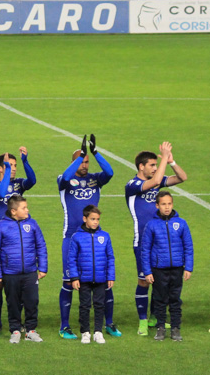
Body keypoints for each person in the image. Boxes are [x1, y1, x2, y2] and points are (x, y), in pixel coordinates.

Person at [125, 143, 187, 335]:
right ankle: (143, 321)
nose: (154, 167)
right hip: (143, 242)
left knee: (160, 282)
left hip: (161, 242)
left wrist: (171, 161)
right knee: (144, 281)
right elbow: (157, 180)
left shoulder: (157, 180)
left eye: (155, 164)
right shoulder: (132, 185)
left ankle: (155, 317)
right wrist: (164, 157)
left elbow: (182, 177)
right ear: (141, 166)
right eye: (151, 165)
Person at [58, 135, 116, 339]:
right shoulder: (64, 180)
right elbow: (67, 176)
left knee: (103, 280)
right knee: (69, 282)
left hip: (94, 238)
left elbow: (110, 172)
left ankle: (108, 323)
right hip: (71, 238)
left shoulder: (95, 179)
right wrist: (80, 155)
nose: (84, 165)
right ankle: (64, 326)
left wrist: (95, 153)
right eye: (81, 161)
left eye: (86, 161)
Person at [0, 149, 37, 335]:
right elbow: (0, 193)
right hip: (0, 242)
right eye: (10, 166)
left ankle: (18, 323)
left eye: (14, 166)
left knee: (19, 284)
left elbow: (32, 180)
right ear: (0, 168)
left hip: (19, 241)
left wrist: (25, 161)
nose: (14, 169)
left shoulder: (18, 184)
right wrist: (7, 171)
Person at [0, 195, 47, 344]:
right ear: (14, 211)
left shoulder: (32, 224)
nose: (27, 210)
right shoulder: (1, 226)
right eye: (24, 208)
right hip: (10, 273)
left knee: (32, 301)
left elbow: (41, 245)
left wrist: (43, 267)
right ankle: (15, 330)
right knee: (13, 303)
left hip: (30, 272)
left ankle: (31, 330)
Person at [141, 191, 193, 341]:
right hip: (158, 269)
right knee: (160, 299)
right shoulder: (151, 225)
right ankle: (161, 327)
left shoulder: (181, 223)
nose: (167, 207)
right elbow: (145, 249)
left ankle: (176, 328)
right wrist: (147, 271)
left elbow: (188, 246)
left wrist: (188, 267)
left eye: (169, 204)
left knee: (175, 299)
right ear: (157, 205)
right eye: (163, 204)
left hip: (177, 268)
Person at [68, 205, 115, 344]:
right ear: (85, 219)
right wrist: (74, 277)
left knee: (100, 305)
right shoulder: (77, 237)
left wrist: (110, 276)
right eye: (92, 219)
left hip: (101, 278)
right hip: (84, 279)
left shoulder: (105, 236)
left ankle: (98, 332)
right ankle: (85, 332)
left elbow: (110, 257)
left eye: (97, 219)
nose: (95, 222)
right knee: (85, 305)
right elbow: (72, 259)